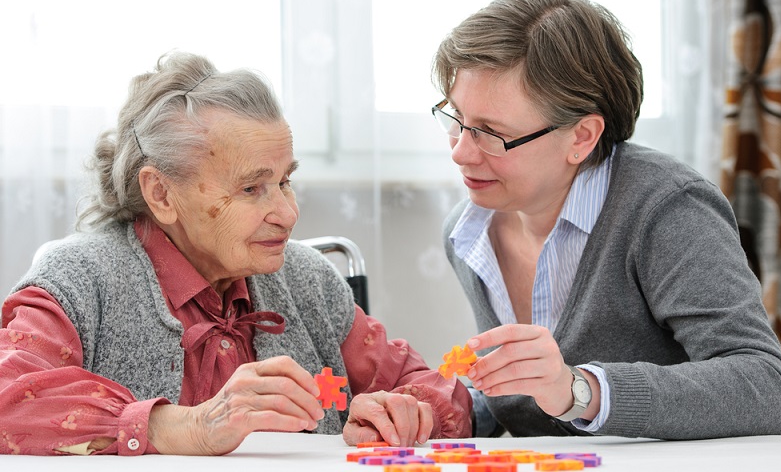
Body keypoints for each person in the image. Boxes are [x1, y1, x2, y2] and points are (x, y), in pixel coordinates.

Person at [0, 51, 471, 456]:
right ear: (161, 194)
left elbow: (440, 390)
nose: (288, 214)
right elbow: (8, 395)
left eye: (285, 180)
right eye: (251, 188)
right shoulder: (81, 278)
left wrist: (404, 413)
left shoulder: (307, 280)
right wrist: (186, 427)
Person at [431, 0, 781, 439]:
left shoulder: (667, 210)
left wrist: (581, 390)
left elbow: (766, 387)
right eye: (456, 117)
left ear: (582, 137)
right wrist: (443, 409)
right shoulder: (469, 232)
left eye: (491, 133)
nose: (459, 151)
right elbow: (530, 400)